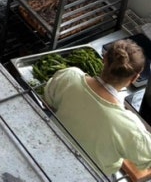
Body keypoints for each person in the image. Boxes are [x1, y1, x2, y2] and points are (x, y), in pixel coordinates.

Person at [43, 39, 151, 178]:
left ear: (104, 58)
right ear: (135, 78)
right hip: (85, 176)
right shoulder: (130, 127)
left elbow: (48, 102)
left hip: (47, 150)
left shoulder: (69, 76)